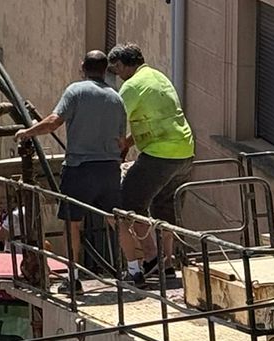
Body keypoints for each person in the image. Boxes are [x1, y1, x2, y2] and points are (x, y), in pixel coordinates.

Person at [16, 51, 128, 276]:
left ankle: (73, 275)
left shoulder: (75, 91)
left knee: (71, 222)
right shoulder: (116, 98)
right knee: (115, 218)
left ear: (82, 67)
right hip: (109, 168)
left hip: (80, 169)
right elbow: (122, 142)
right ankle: (135, 269)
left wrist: (26, 133)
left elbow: (53, 122)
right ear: (105, 70)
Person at [108, 44, 196, 283]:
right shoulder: (158, 77)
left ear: (124, 65)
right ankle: (167, 263)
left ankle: (150, 257)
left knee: (128, 203)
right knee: (163, 207)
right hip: (184, 152)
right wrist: (128, 143)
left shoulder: (132, 86)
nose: (116, 75)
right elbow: (155, 119)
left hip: (160, 154)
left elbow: (113, 116)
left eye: (116, 69)